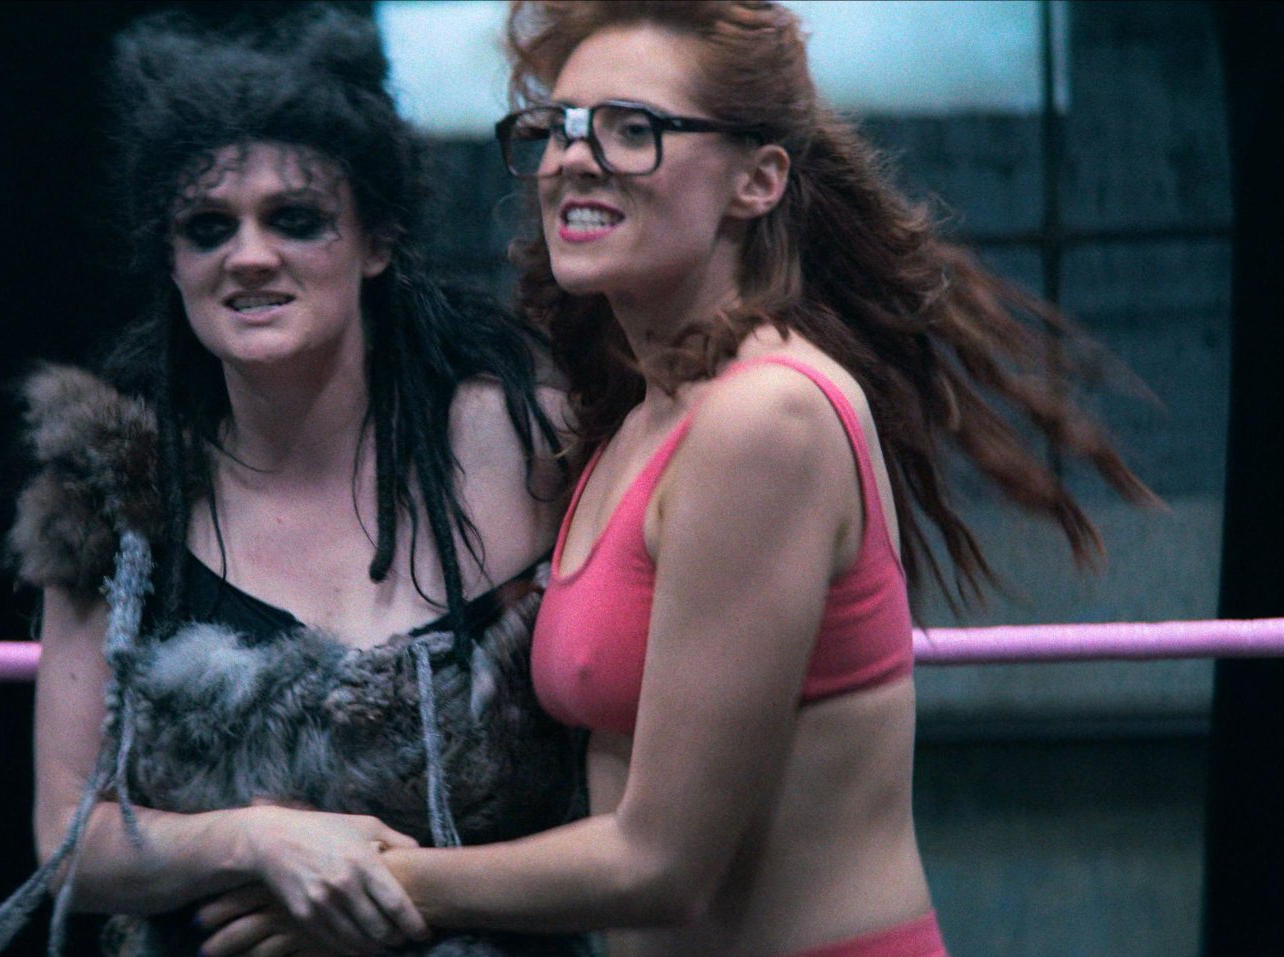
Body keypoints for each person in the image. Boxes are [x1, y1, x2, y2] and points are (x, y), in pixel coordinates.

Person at [194, 2, 1155, 957]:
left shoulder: (763, 417)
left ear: (758, 180)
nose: (573, 159)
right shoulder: (638, 418)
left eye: (632, 129)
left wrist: (369, 881)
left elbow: (662, 862)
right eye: (559, 127)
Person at [0, 7, 588, 957]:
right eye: (208, 227)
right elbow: (70, 838)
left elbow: (645, 824)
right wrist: (260, 840)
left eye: (296, 219)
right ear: (172, 261)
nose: (249, 255)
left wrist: (397, 891)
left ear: (376, 240)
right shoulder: (115, 493)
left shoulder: (533, 443)